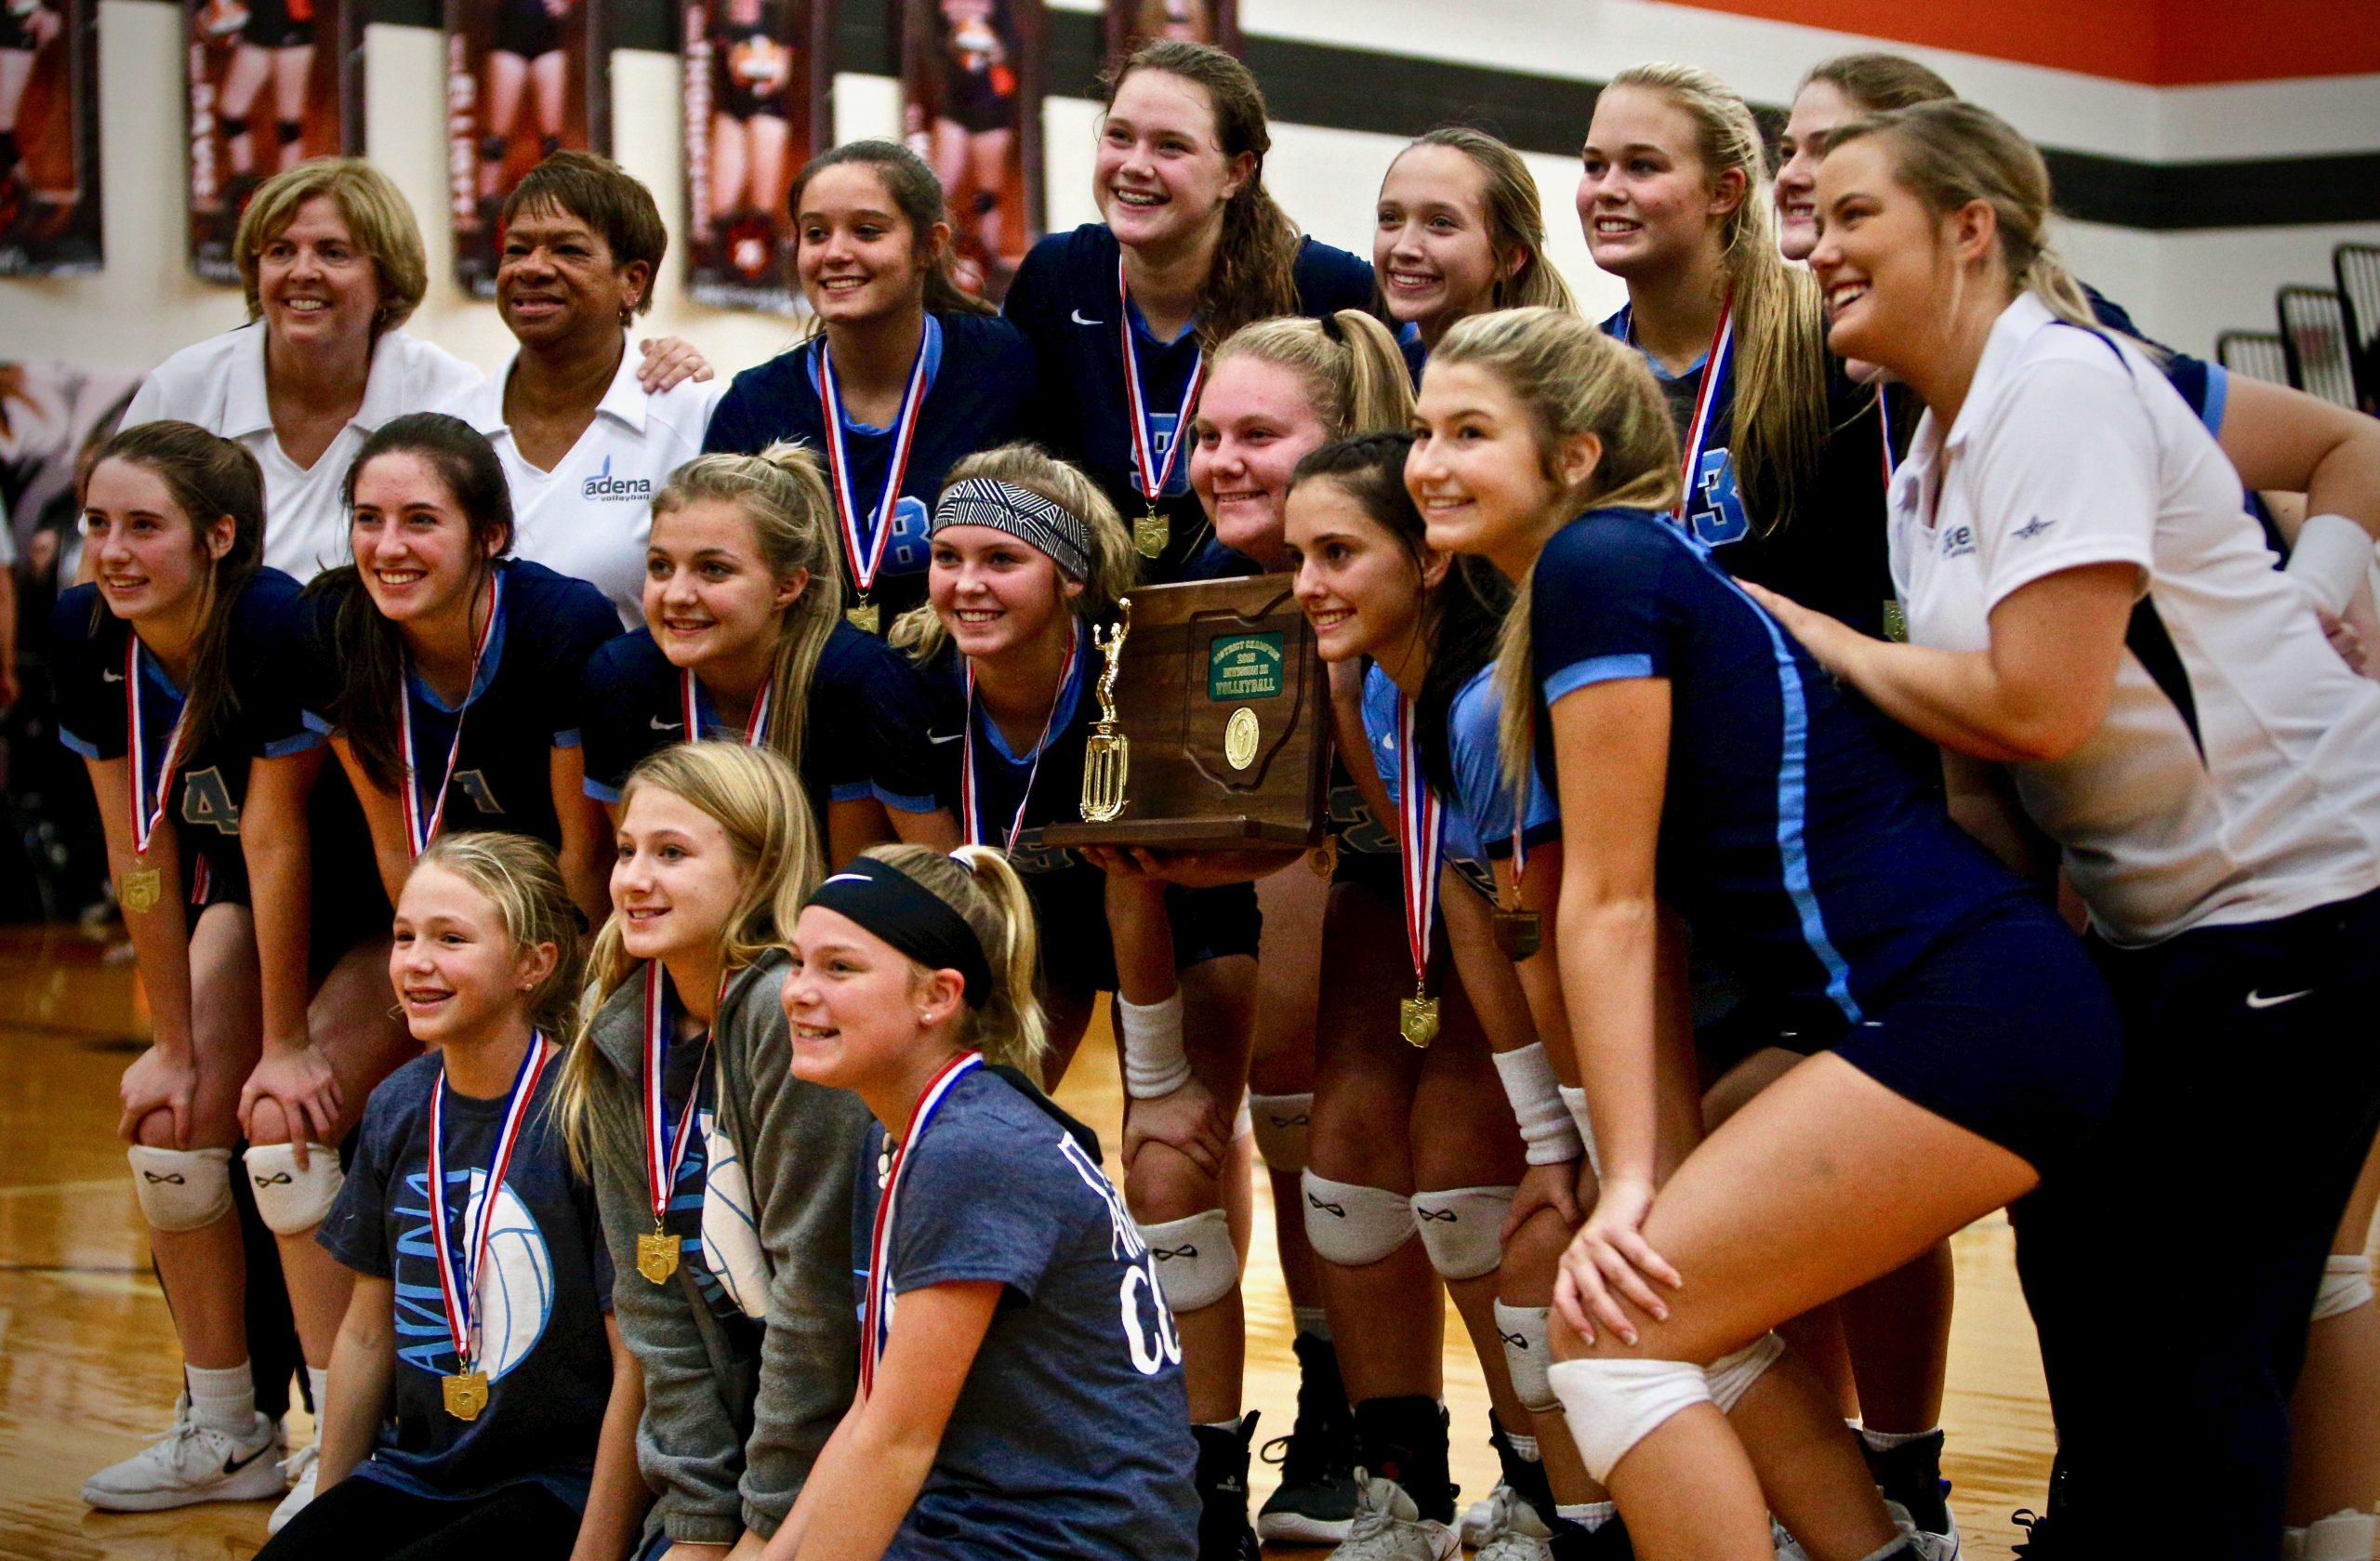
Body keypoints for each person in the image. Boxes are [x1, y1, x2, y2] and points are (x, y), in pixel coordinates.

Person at [1752, 100, 2380, 1560]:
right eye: (1818, 216)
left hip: (2304, 911)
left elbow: (2033, 704)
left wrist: (1822, 644)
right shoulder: (1929, 450)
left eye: (1857, 214)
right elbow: (1991, 770)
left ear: (1971, 228)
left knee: (2191, 1336)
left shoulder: (2062, 385)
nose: (1821, 246)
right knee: (2091, 1266)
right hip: (2166, 929)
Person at [1416, 303, 2125, 1561]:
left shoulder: (1601, 568)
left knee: (1609, 1327)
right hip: (1965, 1006)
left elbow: (1615, 901)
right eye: (1424, 430)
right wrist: (1640, 1160)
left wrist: (1629, 1177)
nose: (1428, 463)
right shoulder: (1604, 582)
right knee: (1691, 1315)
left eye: (1471, 431)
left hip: (1969, 1007)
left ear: (1573, 454)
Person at [890, 443, 1267, 1555]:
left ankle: (1210, 1486)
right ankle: (983, 1444)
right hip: (1013, 932)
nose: (965, 582)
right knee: (952, 1150)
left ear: (1069, 577)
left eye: (1000, 558)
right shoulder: (909, 683)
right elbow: (936, 904)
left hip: (1176, 914)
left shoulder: (1131, 669)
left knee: (1168, 1165)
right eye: (948, 554)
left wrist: (1154, 1084)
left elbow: (1137, 899)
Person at [1287, 430, 1617, 1559]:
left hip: (1668, 1006)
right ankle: (1535, 1502)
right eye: (1298, 555)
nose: (1304, 584)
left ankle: (1597, 1515)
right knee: (1506, 1238)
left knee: (1550, 1258)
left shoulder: (1484, 705)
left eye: (1335, 552)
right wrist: (1339, 687)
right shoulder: (1391, 680)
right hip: (1552, 998)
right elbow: (1452, 888)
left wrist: (1572, 1136)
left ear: (1427, 560)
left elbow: (1563, 938)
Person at [767, 842, 1198, 1559]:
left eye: (839, 967)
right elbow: (873, 1409)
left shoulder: (975, 1150)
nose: (797, 991)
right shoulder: (917, 1128)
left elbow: (897, 1442)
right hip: (980, 1519)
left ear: (938, 996)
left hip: (1062, 1541)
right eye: (797, 960)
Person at [55, 422, 337, 1515]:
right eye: (96, 524)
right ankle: (228, 1428)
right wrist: (172, 1047)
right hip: (230, 886)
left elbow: (282, 843)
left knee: (285, 1122)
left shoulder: (273, 622)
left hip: (351, 896)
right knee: (170, 1127)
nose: (112, 551)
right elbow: (139, 855)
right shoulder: (89, 629)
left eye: (143, 526)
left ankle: (338, 1445)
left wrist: (283, 1042)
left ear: (219, 536)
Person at [1179, 311, 1410, 1549]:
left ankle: (1393, 1427)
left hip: (1455, 907)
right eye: (1207, 433)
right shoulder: (1200, 594)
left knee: (1355, 1133)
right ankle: (1313, 1419)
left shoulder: (1402, 586)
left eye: (1259, 435)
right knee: (1274, 1101)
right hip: (1307, 885)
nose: (1220, 458)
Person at [257, 831, 645, 1561]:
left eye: (451, 938)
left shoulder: (588, 1113)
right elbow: (368, 1333)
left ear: (536, 963)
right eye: (405, 936)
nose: (417, 962)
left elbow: (637, 1363)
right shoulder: (398, 1104)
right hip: (418, 1471)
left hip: (555, 1485)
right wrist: (327, 1505)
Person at [554, 740, 872, 1556]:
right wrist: (698, 1521)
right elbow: (656, 1316)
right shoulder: (624, 1030)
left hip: (852, 1449)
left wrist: (764, 1522)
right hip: (729, 1460)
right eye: (626, 850)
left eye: (671, 853)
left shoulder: (787, 1011)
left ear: (758, 869)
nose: (633, 878)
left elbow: (816, 1303)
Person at [124, 160, 706, 582]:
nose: (303, 272)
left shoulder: (440, 397)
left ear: (387, 278)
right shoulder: (184, 386)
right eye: (279, 252)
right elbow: (105, 555)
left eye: (333, 252)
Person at [1002, 38, 1378, 581]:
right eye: (1120, 136)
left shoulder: (1321, 287)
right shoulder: (1056, 277)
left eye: (1170, 147)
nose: (1135, 165)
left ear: (1235, 172)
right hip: (1093, 604)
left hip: (1265, 609)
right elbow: (1022, 470)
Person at [704, 140, 1038, 633]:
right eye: (816, 233)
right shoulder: (755, 406)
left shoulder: (1001, 366)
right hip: (819, 688)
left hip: (970, 679)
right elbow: (718, 573)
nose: (836, 253)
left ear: (930, 245)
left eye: (866, 231)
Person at [301, 412, 618, 923]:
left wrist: (555, 996)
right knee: (338, 1009)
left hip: (558, 898)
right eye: (368, 518)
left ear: (490, 536)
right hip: (444, 897)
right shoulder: (334, 626)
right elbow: (401, 844)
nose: (387, 547)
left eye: (420, 519)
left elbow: (585, 856)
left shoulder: (562, 624)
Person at [578, 445, 958, 866]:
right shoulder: (620, 679)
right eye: (661, 567)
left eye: (714, 569)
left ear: (787, 587)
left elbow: (852, 888)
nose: (678, 595)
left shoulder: (852, 681)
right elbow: (632, 870)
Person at [442, 152, 726, 628]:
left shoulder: (695, 417)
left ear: (632, 281)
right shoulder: (452, 431)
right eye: (516, 249)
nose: (532, 268)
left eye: (568, 250)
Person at [1374, 126, 1576, 376]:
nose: (1404, 248)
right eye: (1390, 217)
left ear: (1511, 258)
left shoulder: (1549, 390)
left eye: (1441, 223)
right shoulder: (1396, 374)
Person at [919, 0, 1022, 288]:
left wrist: (991, 46)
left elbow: (1012, 42)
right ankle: (931, 258)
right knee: (938, 189)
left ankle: (990, 262)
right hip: (954, 103)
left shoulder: (1000, 7)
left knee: (987, 196)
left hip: (992, 106)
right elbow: (930, 41)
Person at [705, 0, 798, 279]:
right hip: (730, 110)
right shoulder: (716, 21)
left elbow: (780, 75)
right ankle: (720, 264)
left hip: (767, 110)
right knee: (719, 203)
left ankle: (762, 267)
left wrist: (758, 69)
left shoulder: (778, 23)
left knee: (762, 205)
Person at [204, 0, 317, 192]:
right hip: (256, 33)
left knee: (288, 119)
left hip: (292, 33)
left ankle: (287, 188)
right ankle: (243, 181)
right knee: (231, 110)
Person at [475, 0, 570, 215]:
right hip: (509, 36)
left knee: (551, 139)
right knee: (495, 136)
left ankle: (553, 195)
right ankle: (487, 196)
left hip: (548, 38)